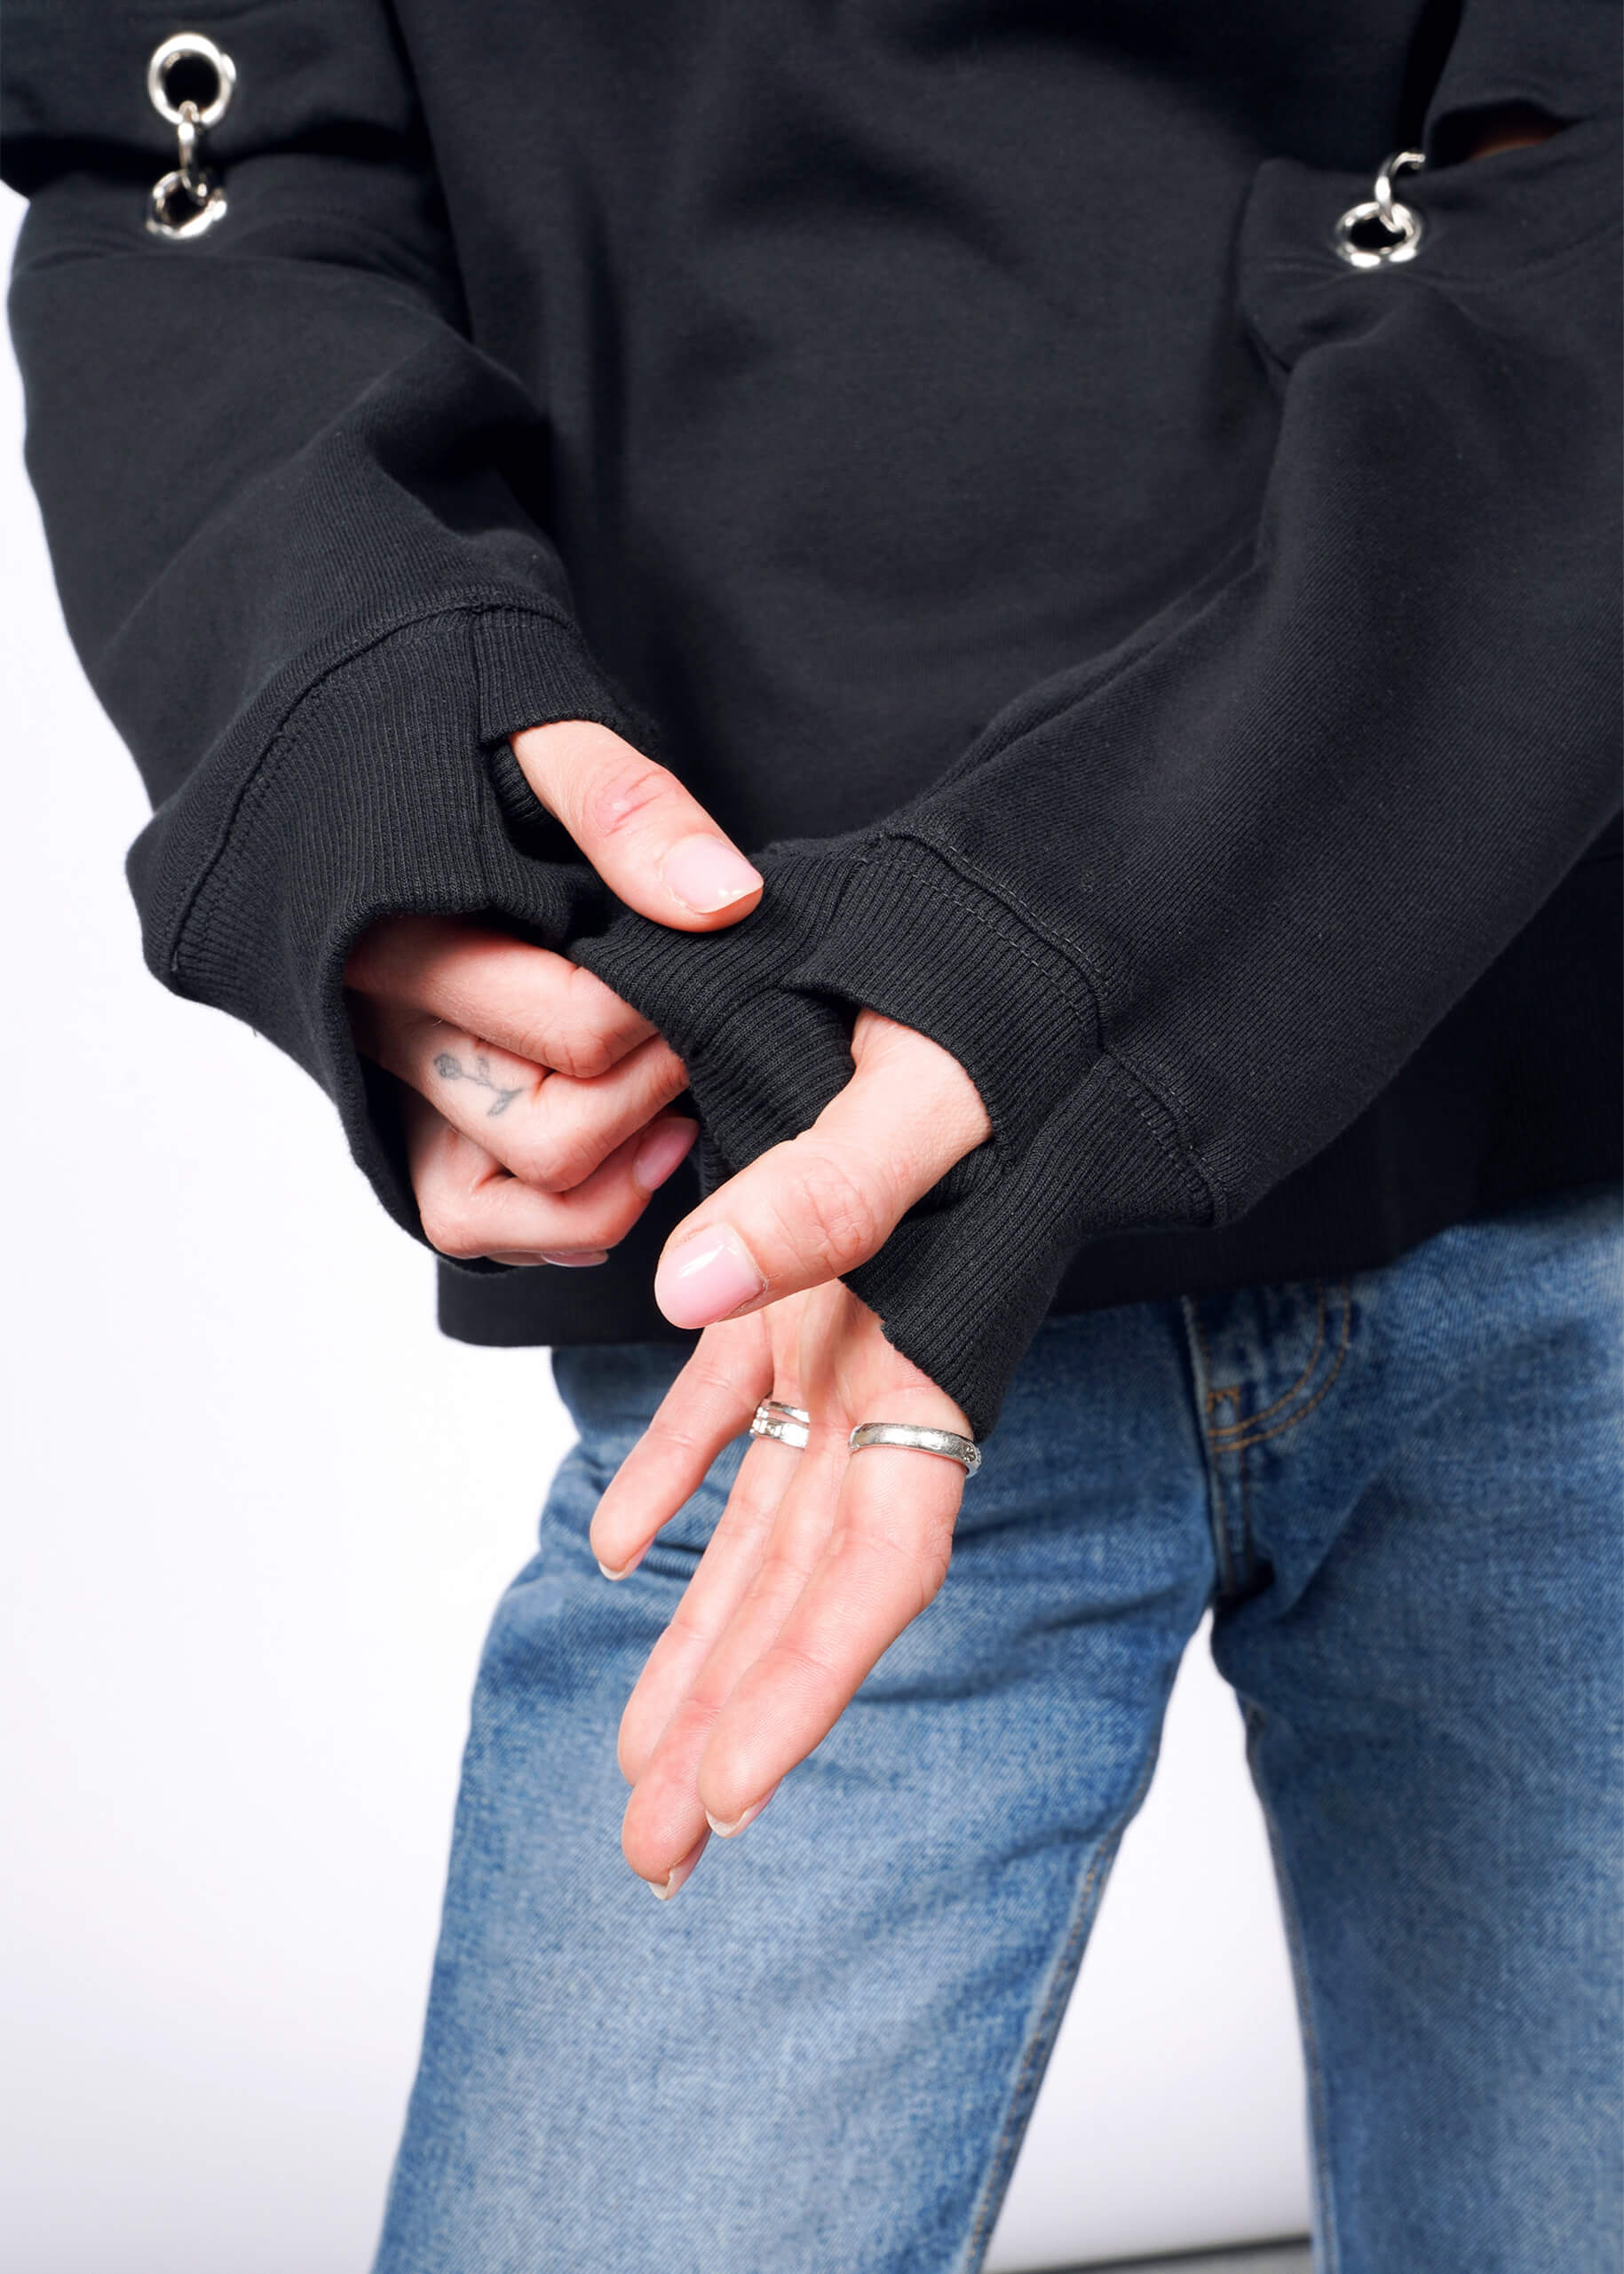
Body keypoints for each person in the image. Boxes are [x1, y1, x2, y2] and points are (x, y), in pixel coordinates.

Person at [4, 0, 1619, 2266]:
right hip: (800, 1260)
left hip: (1552, 1139)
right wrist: (380, 749)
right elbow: (194, 168)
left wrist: (1069, 958)